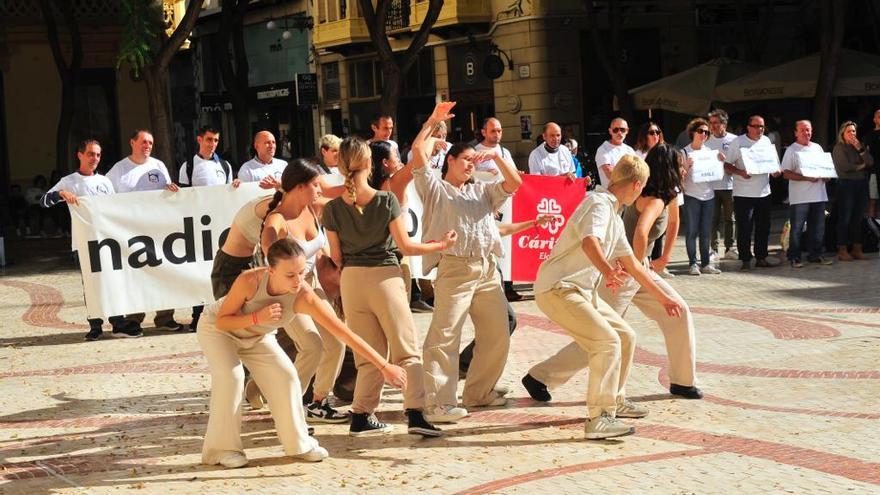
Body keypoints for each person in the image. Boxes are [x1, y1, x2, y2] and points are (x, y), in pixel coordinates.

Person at [196, 238, 408, 468]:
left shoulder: (304, 296)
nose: (298, 280)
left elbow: (345, 333)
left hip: (257, 337)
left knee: (286, 377)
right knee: (232, 378)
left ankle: (298, 445)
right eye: (290, 275)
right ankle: (220, 451)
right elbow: (222, 322)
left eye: (301, 272)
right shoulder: (249, 280)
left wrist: (384, 366)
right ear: (271, 270)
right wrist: (258, 318)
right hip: (218, 331)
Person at [521, 155, 683, 440]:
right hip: (559, 288)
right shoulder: (597, 204)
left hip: (578, 291)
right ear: (635, 185)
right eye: (642, 187)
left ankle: (616, 402)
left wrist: (663, 298)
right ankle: (599, 416)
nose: (641, 193)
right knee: (606, 342)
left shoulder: (615, 216)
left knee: (624, 336)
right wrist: (608, 271)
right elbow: (589, 242)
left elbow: (632, 264)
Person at [323, 108, 458, 437]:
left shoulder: (333, 208)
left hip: (352, 280)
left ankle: (361, 414)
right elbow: (407, 248)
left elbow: (336, 257)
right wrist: (440, 244)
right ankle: (415, 413)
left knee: (368, 352)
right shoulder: (385, 201)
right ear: (369, 163)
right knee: (405, 349)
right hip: (384, 275)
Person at [414, 103, 523, 424]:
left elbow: (515, 184)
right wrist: (432, 122)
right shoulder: (435, 188)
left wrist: (496, 158)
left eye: (473, 162)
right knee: (445, 337)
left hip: (487, 269)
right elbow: (418, 154)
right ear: (450, 160)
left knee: (498, 332)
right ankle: (438, 403)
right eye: (465, 160)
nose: (470, 166)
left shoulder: (482, 191)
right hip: (455, 268)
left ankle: (478, 392)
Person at [39, 140, 124, 340]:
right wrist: (60, 194)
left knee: (112, 282)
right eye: (90, 154)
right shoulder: (69, 181)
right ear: (80, 155)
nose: (94, 158)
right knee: (91, 285)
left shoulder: (105, 182)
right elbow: (44, 201)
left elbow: (115, 210)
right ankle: (95, 325)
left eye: (97, 155)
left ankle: (118, 322)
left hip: (107, 242)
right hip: (83, 243)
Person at [457, 214, 554, 377]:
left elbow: (497, 230)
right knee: (503, 322)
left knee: (505, 322)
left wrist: (534, 222)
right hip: (468, 268)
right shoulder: (467, 200)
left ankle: (466, 366)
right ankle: (462, 367)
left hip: (489, 268)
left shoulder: (482, 206)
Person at [106, 129, 182, 334]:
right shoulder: (119, 169)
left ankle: (165, 317)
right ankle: (133, 318)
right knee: (136, 276)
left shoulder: (158, 166)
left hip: (158, 231)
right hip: (130, 233)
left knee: (163, 272)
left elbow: (167, 192)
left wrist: (171, 190)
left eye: (150, 142)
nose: (147, 145)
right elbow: (105, 196)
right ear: (132, 143)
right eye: (143, 142)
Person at [178, 125, 241, 332]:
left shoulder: (225, 166)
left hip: (220, 226)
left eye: (215, 140)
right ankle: (197, 315)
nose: (212, 144)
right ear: (199, 140)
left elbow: (230, 193)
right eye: (208, 140)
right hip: (198, 227)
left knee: (219, 268)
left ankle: (224, 310)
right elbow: (183, 197)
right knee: (199, 270)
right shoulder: (188, 166)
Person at [723, 115, 781, 270]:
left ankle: (761, 257)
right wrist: (740, 172)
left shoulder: (767, 141)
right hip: (743, 194)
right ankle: (746, 259)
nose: (759, 130)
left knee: (764, 227)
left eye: (762, 127)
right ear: (748, 127)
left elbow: (775, 164)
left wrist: (776, 171)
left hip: (764, 192)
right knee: (745, 228)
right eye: (756, 126)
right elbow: (727, 165)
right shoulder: (738, 142)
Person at [780, 120, 833, 267]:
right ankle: (794, 257)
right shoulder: (791, 150)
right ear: (796, 133)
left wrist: (827, 175)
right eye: (802, 130)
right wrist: (805, 178)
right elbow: (786, 173)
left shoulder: (818, 148)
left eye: (808, 130)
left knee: (818, 228)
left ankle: (816, 255)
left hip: (819, 195)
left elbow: (825, 168)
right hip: (800, 197)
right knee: (797, 228)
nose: (806, 133)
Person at [633, 122, 674, 279]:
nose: (656, 135)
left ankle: (654, 263)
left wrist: (665, 258)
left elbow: (674, 222)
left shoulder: (670, 192)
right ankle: (647, 263)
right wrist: (638, 265)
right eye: (651, 132)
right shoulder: (638, 156)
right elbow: (640, 232)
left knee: (658, 233)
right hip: (629, 260)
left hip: (637, 259)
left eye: (658, 131)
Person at [681, 118, 721, 275]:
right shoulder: (684, 152)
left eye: (706, 132)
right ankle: (692, 263)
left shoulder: (709, 152)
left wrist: (720, 163)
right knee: (692, 231)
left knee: (706, 231)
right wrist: (686, 165)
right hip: (691, 196)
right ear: (692, 132)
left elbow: (715, 174)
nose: (704, 134)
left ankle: (705, 263)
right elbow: (679, 176)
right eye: (701, 131)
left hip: (708, 196)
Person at [832, 121, 873, 261]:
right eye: (849, 131)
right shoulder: (839, 148)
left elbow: (870, 162)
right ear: (842, 133)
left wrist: (860, 149)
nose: (852, 134)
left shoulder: (858, 146)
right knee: (845, 218)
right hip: (846, 185)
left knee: (858, 218)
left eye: (854, 131)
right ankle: (842, 249)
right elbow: (845, 167)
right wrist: (862, 166)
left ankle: (857, 248)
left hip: (861, 184)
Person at [707, 109, 738, 261]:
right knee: (713, 219)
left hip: (729, 185)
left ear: (724, 124)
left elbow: (740, 161)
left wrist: (728, 162)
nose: (712, 126)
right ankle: (712, 250)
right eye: (711, 123)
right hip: (710, 187)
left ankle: (730, 248)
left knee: (730, 218)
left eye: (716, 123)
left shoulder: (734, 140)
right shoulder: (706, 140)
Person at [595, 118, 636, 187]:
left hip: (629, 194)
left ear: (627, 131)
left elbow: (637, 172)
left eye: (622, 130)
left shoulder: (630, 150)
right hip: (610, 195)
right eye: (615, 130)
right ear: (610, 131)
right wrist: (629, 172)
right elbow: (610, 174)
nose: (619, 133)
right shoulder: (603, 149)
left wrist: (617, 169)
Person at [861, 108, 880, 218]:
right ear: (874, 119)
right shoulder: (869, 136)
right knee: (873, 201)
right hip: (874, 172)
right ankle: (872, 228)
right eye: (879, 116)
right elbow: (864, 153)